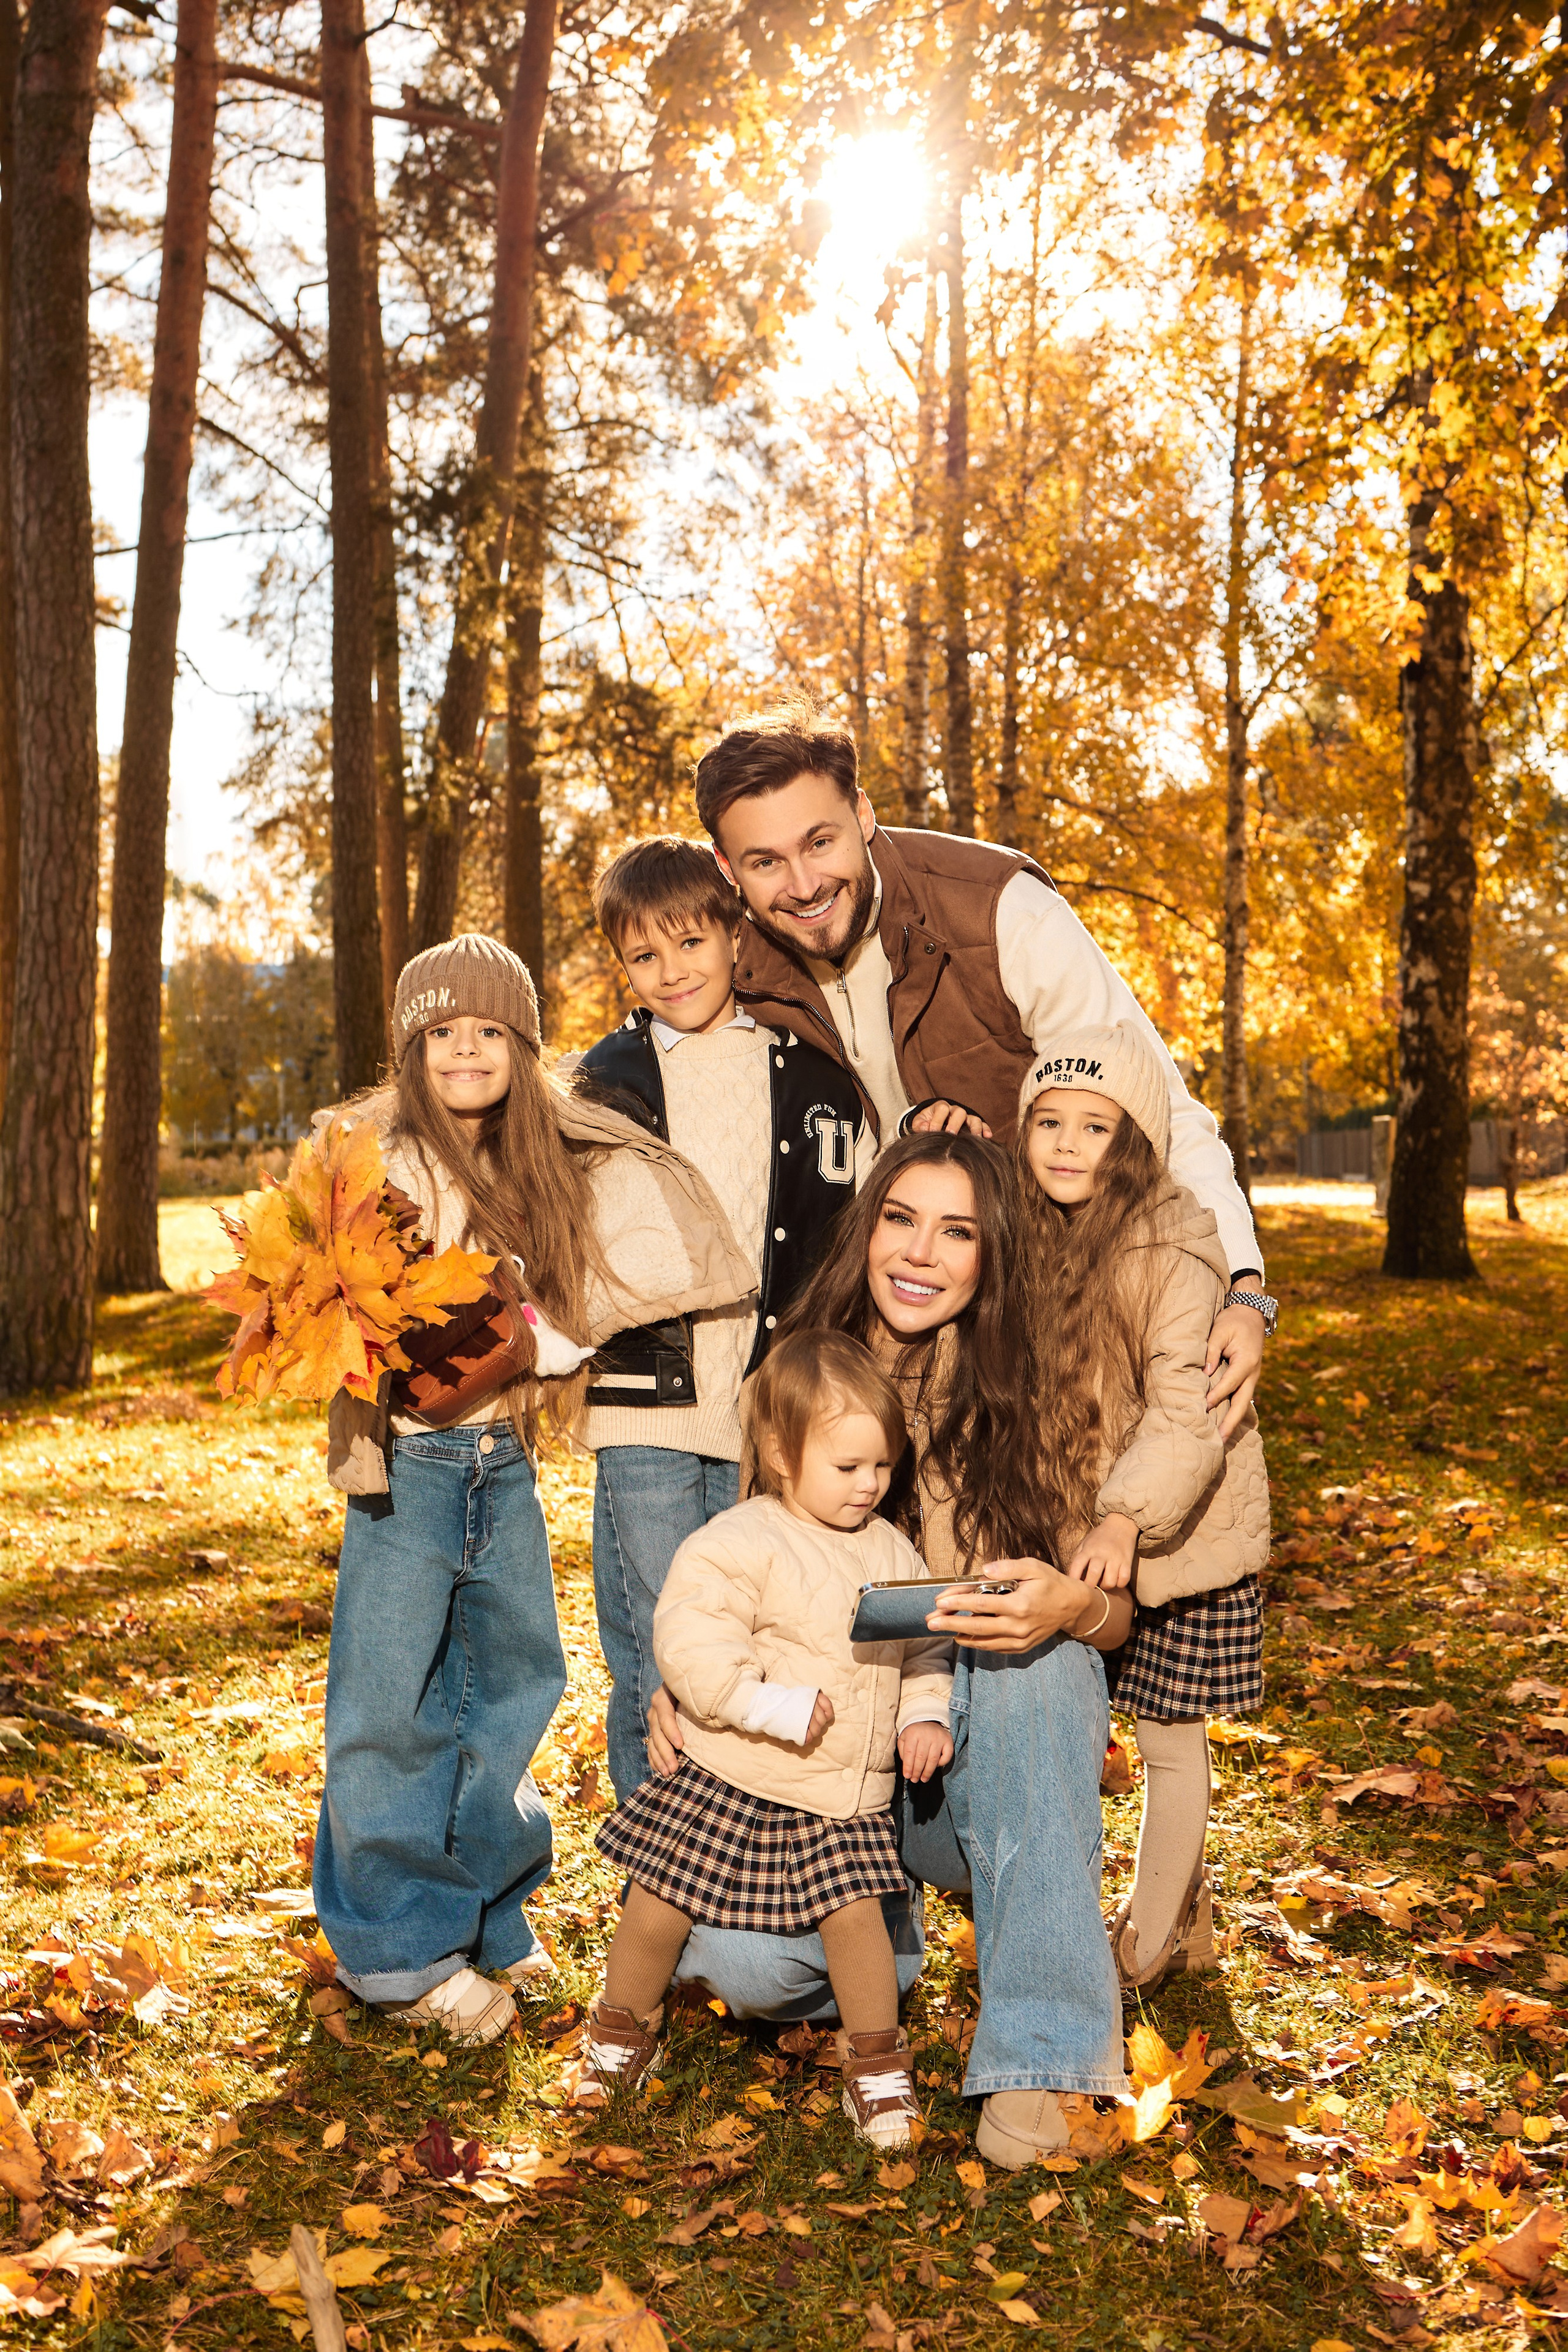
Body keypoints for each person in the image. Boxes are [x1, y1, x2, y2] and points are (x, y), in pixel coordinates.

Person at [648, 1133, 1135, 2170]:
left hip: (969, 1759)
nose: (920, 1252)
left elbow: (1120, 1624)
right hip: (820, 1767)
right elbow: (732, 1570)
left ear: (991, 1254)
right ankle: (883, 1934)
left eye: (957, 1230)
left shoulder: (1038, 1385)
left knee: (1039, 1666)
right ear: (867, 1227)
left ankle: (1043, 2059)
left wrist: (1070, 1611)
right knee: (748, 1972)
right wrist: (683, 1689)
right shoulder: (799, 1368)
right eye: (900, 1218)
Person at [314, 935, 755, 2045]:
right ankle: (400, 1946)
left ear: (522, 1045)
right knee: (393, 1701)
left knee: (511, 1684)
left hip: (499, 1463)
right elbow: (349, 1311)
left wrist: (550, 1338)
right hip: (408, 1470)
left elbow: (594, 1275)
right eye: (443, 1033)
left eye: (491, 1032)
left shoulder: (544, 1158)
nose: (467, 1050)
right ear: (412, 1050)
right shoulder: (377, 1158)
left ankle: (490, 1905)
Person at [691, 701, 1278, 1438]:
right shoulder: (728, 965)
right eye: (765, 862)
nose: (804, 884)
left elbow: (1155, 1106)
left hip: (1069, 1288)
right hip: (891, 1318)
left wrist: (1242, 1290)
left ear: (864, 814)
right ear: (726, 867)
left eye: (820, 841)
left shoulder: (998, 910)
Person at [584, 1330, 954, 2149]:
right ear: (783, 1455)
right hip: (732, 1772)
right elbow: (690, 1641)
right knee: (658, 1904)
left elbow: (925, 1644)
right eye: (847, 1468)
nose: (868, 1487)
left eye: (882, 1468)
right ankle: (616, 2033)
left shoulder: (892, 1550)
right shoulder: (742, 1540)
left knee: (853, 1916)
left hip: (838, 1797)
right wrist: (765, 1705)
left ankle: (877, 2067)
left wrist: (923, 1712)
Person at [575, 837, 870, 1802]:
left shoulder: (809, 1078)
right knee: (662, 1638)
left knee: (752, 1627)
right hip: (644, 1404)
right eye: (643, 957)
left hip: (763, 1407)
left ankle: (744, 1851)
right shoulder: (599, 1083)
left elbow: (847, 1217)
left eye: (690, 943)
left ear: (737, 935)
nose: (671, 972)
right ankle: (658, 1873)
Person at [1016, 1022, 1269, 1991]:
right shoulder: (1040, 1236)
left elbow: (1186, 1412)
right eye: (1049, 1122)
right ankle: (1190, 1913)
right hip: (1103, 1536)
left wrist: (1125, 1515)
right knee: (1123, 1717)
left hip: (1181, 1535)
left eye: (1096, 1126)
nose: (1069, 1144)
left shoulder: (1174, 1246)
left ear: (1139, 1142)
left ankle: (1147, 1940)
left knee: (1168, 1740)